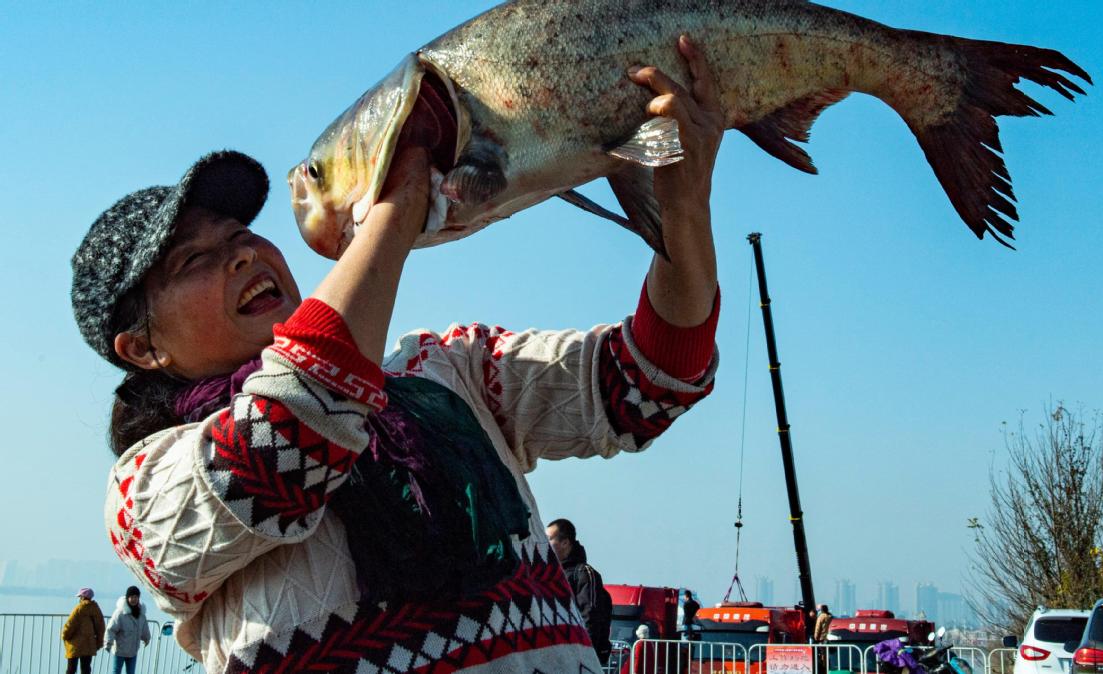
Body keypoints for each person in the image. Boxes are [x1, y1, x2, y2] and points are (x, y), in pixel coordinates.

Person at [75, 36, 723, 674]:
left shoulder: (444, 370)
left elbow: (646, 381)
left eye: (243, 234)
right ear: (143, 348)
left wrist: (684, 211)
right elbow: (288, 436)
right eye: (194, 258)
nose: (244, 253)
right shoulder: (144, 488)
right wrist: (401, 201)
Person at [546, 518, 614, 663]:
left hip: (576, 658)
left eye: (549, 539)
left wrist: (581, 656)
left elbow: (590, 617)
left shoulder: (585, 574)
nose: (544, 544)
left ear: (565, 542)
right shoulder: (547, 574)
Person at [105, 586, 151, 674]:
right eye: (132, 597)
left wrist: (147, 638)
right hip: (120, 650)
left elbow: (144, 627)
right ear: (127, 598)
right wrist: (108, 643)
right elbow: (111, 629)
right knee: (116, 671)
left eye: (136, 597)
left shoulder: (141, 614)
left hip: (133, 650)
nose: (134, 599)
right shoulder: (120, 613)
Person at [62, 587, 105, 674]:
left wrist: (64, 635)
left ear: (82, 597)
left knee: (71, 669)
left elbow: (70, 624)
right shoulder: (96, 609)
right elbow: (101, 627)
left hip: (75, 644)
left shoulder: (79, 609)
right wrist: (99, 643)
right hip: (89, 644)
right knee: (86, 669)